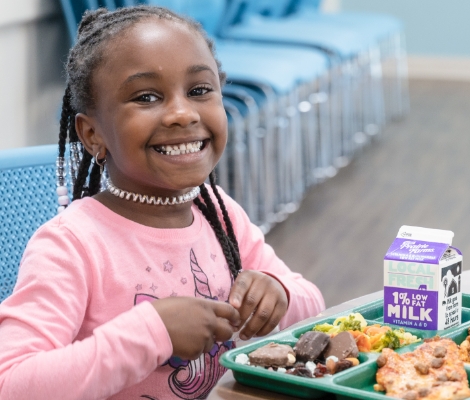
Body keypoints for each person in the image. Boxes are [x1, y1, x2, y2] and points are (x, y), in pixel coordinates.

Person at [0, 5, 325, 399]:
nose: (181, 113)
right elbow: (12, 383)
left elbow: (311, 304)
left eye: (200, 90)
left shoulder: (217, 213)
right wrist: (152, 332)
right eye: (147, 96)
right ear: (92, 134)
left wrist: (278, 295)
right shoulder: (71, 245)